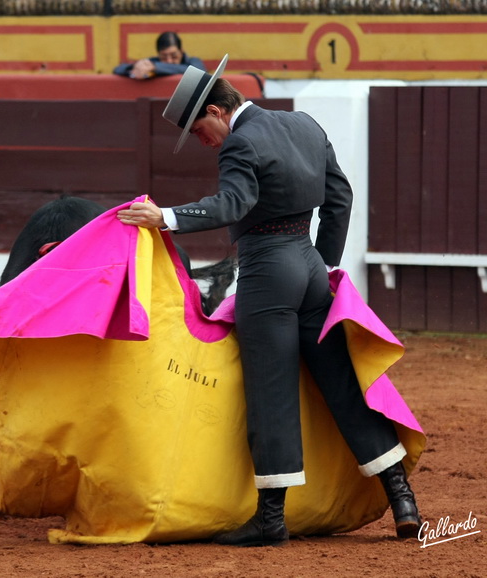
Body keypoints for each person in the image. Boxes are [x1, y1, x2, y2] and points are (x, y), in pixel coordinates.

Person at [117, 54, 422, 547]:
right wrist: (322, 264)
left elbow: (232, 203)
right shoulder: (304, 124)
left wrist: (167, 217)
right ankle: (402, 497)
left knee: (271, 389)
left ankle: (271, 519)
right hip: (308, 268)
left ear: (216, 111)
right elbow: (339, 197)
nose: (203, 142)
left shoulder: (240, 143)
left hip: (266, 272)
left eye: (198, 131)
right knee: (342, 382)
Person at [113, 31, 206, 80]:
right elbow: (118, 69)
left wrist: (156, 67)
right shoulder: (153, 63)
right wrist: (136, 67)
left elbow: (199, 72)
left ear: (181, 51)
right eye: (164, 57)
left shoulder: (193, 61)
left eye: (174, 56)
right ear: (158, 54)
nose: (169, 61)